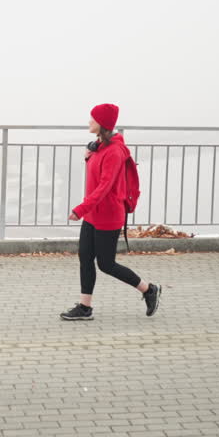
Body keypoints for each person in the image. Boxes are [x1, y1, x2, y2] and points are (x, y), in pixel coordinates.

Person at [61, 103, 161, 321]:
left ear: (103, 124)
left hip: (108, 215)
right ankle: (85, 307)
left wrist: (80, 209)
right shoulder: (99, 146)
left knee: (106, 264)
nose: (89, 122)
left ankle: (149, 289)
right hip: (93, 213)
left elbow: (104, 186)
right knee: (85, 258)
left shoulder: (114, 151)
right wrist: (88, 157)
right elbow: (95, 177)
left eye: (93, 119)